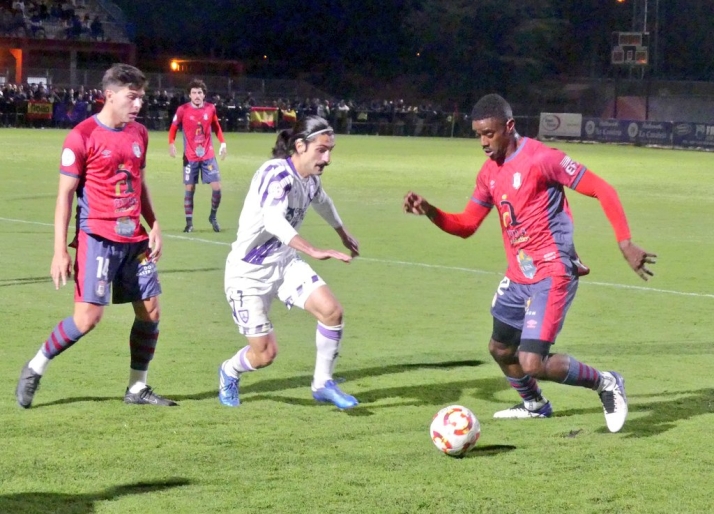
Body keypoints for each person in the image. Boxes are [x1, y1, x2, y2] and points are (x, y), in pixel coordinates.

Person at [403, 94, 656, 433]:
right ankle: (535, 405)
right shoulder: (488, 173)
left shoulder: (542, 159)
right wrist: (431, 211)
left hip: (554, 272)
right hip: (519, 275)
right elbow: (466, 225)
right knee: (500, 348)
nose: (483, 142)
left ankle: (606, 383)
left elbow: (602, 189)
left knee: (531, 361)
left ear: (509, 126)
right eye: (478, 134)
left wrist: (625, 241)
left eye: (489, 134)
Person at [15, 64, 177, 408]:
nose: (138, 105)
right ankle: (35, 366)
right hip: (98, 237)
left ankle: (137, 388)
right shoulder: (82, 136)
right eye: (131, 98)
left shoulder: (139, 134)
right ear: (110, 95)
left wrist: (155, 224)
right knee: (87, 319)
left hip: (134, 239)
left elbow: (139, 182)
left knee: (150, 312)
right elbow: (65, 196)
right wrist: (60, 251)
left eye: (141, 98)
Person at [219, 115, 360, 410]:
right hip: (248, 275)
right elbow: (273, 219)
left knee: (332, 312)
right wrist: (312, 249)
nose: (328, 158)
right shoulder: (275, 173)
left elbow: (322, 201)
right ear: (300, 145)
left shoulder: (309, 179)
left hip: (284, 265)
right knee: (265, 355)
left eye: (330, 150)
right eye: (322, 150)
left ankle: (322, 384)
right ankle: (229, 371)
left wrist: (342, 231)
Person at [169, 79, 227, 233]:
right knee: (190, 188)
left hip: (208, 155)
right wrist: (171, 143)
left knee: (217, 188)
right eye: (194, 92)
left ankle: (213, 216)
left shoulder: (210, 108)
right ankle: (189, 223)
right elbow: (174, 127)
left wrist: (223, 143)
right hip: (190, 157)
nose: (197, 95)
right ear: (189, 95)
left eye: (199, 92)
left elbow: (216, 126)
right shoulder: (182, 110)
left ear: (204, 94)